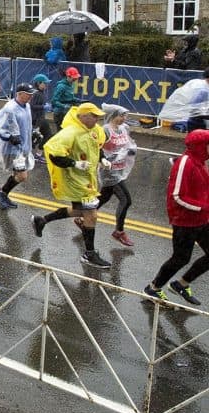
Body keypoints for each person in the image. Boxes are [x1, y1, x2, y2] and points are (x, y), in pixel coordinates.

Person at [31, 103, 113, 269]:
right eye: (93, 116)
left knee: (79, 211)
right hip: (75, 180)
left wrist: (102, 158)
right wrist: (74, 163)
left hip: (88, 178)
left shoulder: (95, 130)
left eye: (98, 116)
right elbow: (54, 154)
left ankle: (42, 220)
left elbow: (97, 147)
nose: (97, 119)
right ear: (82, 116)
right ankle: (89, 254)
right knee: (91, 215)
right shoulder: (70, 132)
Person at [143, 129, 209, 306]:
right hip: (185, 221)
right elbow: (177, 196)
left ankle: (181, 284)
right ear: (201, 146)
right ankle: (153, 288)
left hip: (202, 219)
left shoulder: (199, 161)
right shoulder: (185, 163)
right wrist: (204, 207)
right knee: (181, 258)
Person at [80, 104, 136, 247]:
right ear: (113, 115)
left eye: (125, 115)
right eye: (121, 115)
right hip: (109, 171)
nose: (124, 118)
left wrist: (129, 151)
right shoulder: (105, 130)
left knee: (104, 197)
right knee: (126, 200)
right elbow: (96, 147)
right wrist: (105, 159)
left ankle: (82, 219)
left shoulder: (123, 128)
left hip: (120, 168)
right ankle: (119, 232)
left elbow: (127, 144)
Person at [0, 83, 36, 209]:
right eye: (28, 94)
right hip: (12, 149)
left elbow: (26, 124)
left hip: (23, 147)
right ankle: (2, 193)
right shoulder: (10, 109)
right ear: (19, 94)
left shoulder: (26, 106)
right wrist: (9, 136)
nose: (30, 97)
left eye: (32, 94)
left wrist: (33, 133)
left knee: (19, 175)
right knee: (22, 175)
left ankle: (3, 194)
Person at [29, 73, 53, 149]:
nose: (46, 85)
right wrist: (43, 107)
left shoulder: (41, 93)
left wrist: (46, 106)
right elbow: (32, 106)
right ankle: (29, 153)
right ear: (38, 83)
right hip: (36, 120)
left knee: (48, 135)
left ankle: (38, 153)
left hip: (41, 118)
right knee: (34, 138)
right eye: (44, 83)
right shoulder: (36, 93)